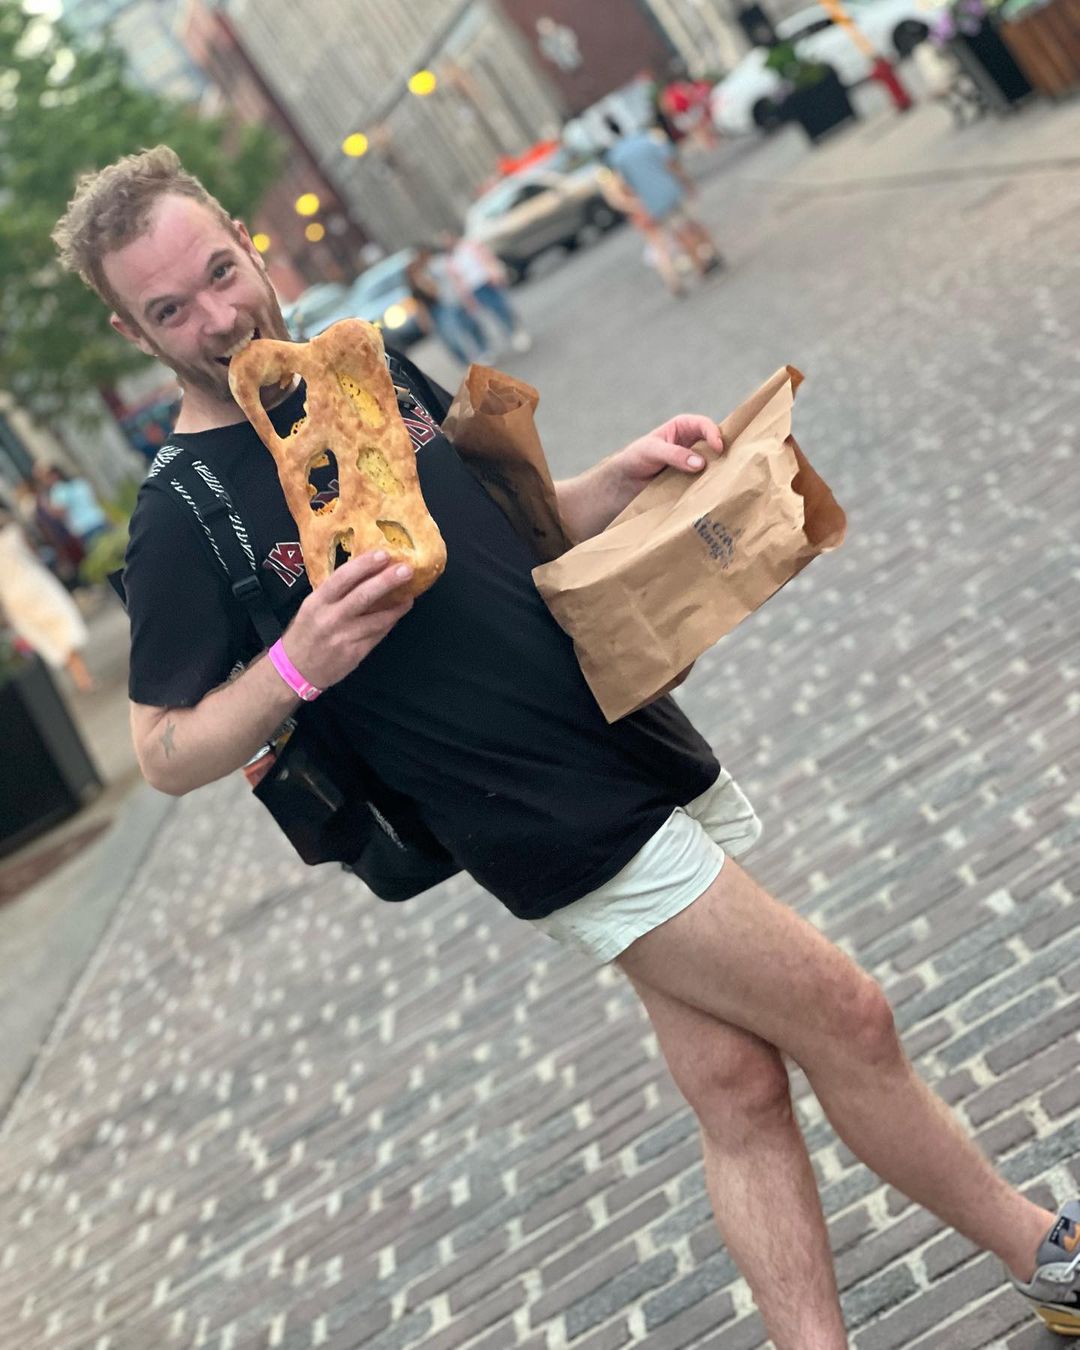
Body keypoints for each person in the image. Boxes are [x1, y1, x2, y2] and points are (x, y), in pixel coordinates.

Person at [52, 145, 1080, 1348]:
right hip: (533, 813)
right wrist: (297, 663)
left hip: (617, 723)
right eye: (171, 310)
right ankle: (1045, 1252)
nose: (219, 319)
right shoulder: (181, 514)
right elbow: (165, 749)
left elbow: (510, 527)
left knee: (740, 1088)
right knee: (848, 1016)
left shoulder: (358, 368)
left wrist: (620, 477)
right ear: (131, 330)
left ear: (244, 236)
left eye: (221, 273)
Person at [601, 114, 724, 298]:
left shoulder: (617, 156)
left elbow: (624, 186)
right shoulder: (646, 139)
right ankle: (713, 251)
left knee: (680, 233)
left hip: (653, 201)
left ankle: (701, 264)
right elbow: (670, 162)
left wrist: (635, 204)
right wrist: (686, 183)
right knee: (692, 225)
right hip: (671, 189)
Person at [0, 504, 93, 691]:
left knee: (47, 636)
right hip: (35, 586)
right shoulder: (12, 535)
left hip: (13, 599)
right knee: (63, 626)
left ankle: (79, 676)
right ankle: (82, 676)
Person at [443, 231, 532, 354]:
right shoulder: (451, 260)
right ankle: (512, 332)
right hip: (475, 288)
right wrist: (467, 298)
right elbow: (457, 281)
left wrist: (496, 273)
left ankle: (516, 329)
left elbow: (488, 258)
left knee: (502, 306)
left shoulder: (468, 247)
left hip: (488, 280)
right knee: (495, 310)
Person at [405, 245, 492, 366]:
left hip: (448, 304)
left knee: (470, 326)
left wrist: (423, 281)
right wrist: (423, 321)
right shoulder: (413, 285)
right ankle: (467, 362)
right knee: (450, 339)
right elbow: (419, 304)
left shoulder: (432, 270)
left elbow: (436, 290)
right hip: (436, 312)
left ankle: (484, 351)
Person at [37, 464, 110, 550]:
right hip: (99, 519)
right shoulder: (78, 482)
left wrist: (46, 506)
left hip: (85, 528)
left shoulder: (59, 490)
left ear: (53, 475)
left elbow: (61, 512)